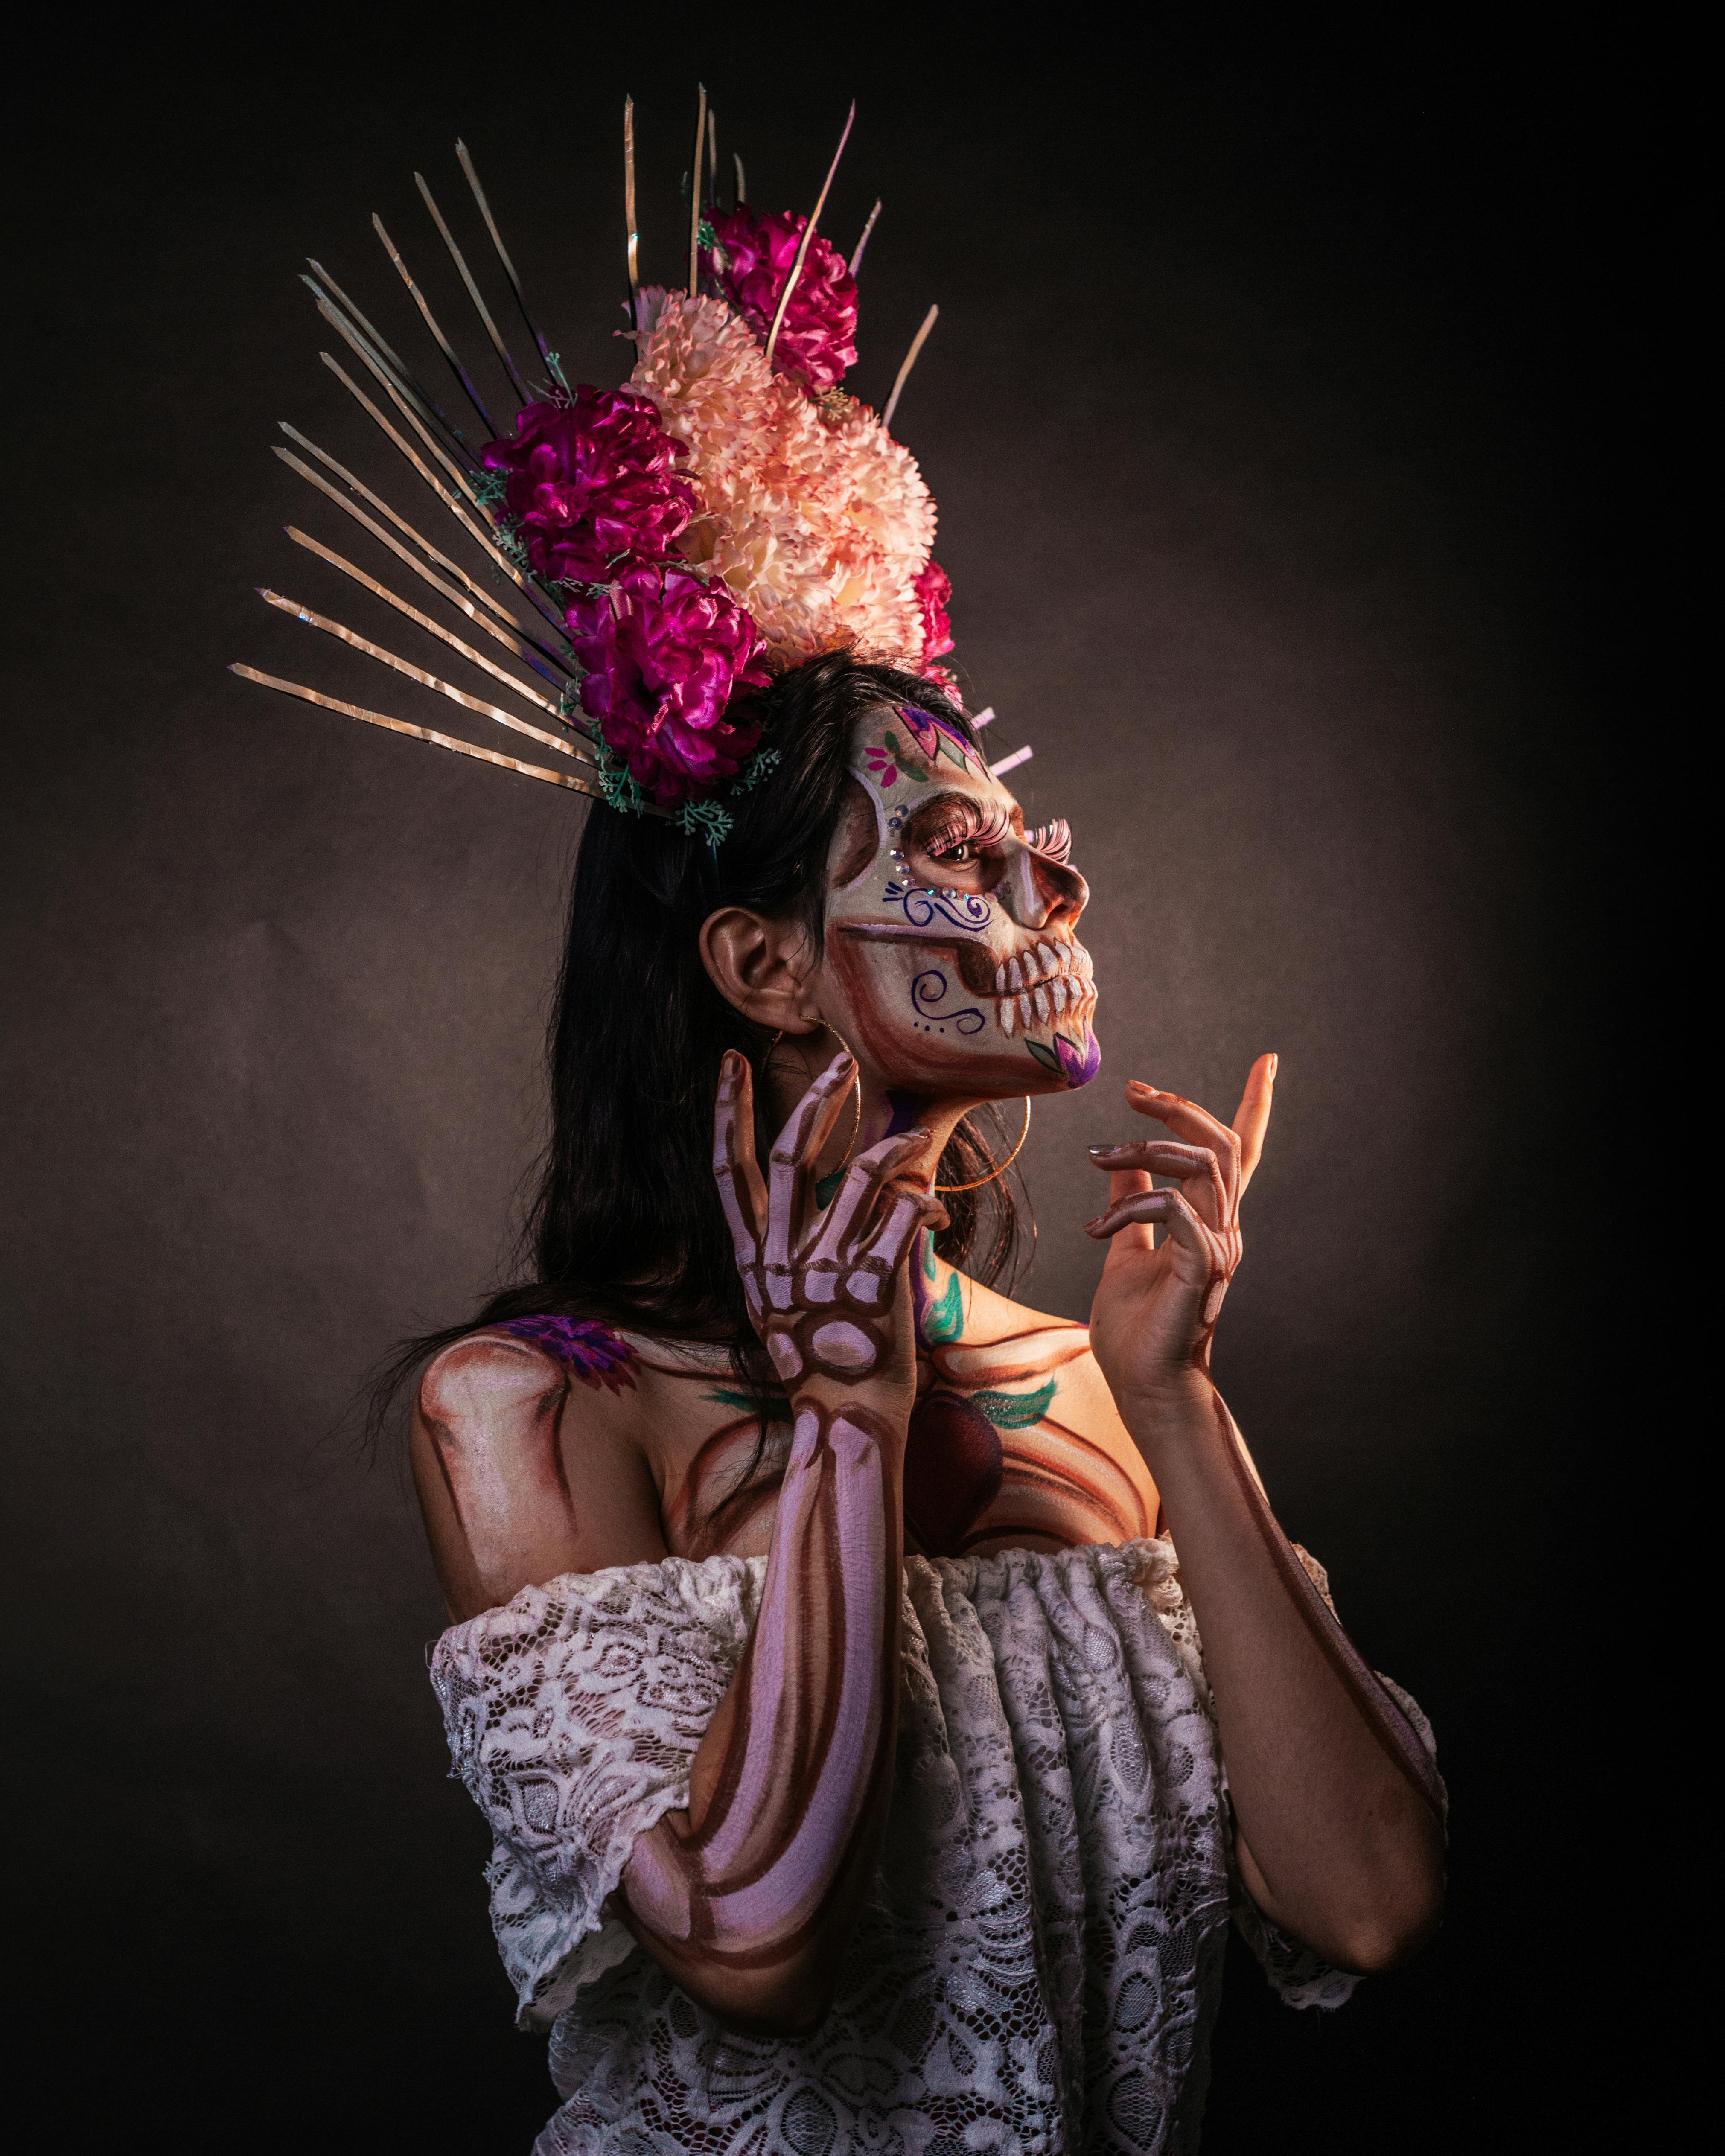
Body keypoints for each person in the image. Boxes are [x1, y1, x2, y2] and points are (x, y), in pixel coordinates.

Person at [240, 116, 1445, 2155]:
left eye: (1033, 856)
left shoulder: (1091, 1381)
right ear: (762, 962)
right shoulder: (529, 1410)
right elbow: (753, 1950)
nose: (1045, 908)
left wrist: (1179, 1404)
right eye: (961, 856)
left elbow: (1367, 1905)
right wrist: (847, 1443)